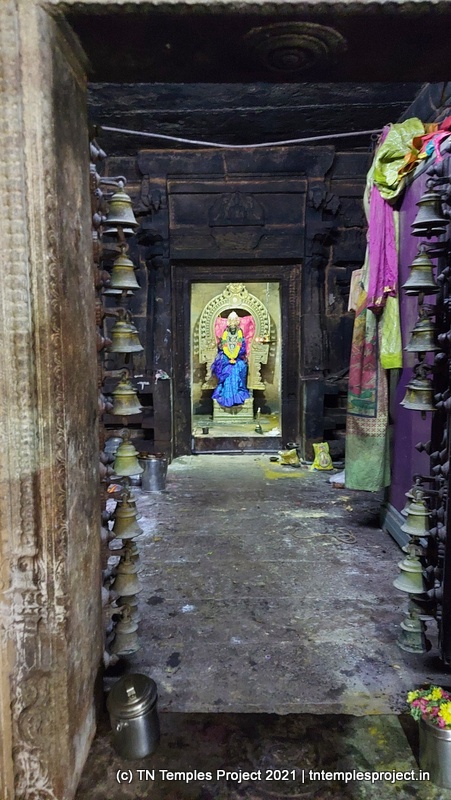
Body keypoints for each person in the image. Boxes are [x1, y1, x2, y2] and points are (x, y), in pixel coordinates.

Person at [211, 311, 251, 408]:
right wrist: (228, 356)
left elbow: (242, 348)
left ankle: (237, 396)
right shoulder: (225, 334)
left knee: (240, 367)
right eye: (231, 321)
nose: (233, 323)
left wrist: (236, 355)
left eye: (234, 321)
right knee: (227, 371)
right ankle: (227, 397)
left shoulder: (240, 334)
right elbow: (223, 347)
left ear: (237, 322)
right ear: (228, 322)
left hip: (238, 358)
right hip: (226, 358)